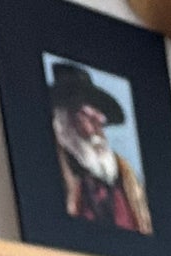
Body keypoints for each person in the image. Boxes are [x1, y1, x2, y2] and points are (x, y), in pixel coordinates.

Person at [46, 60, 151, 236]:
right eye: (87, 116)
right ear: (63, 122)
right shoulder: (55, 172)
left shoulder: (125, 177)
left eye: (100, 118)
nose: (99, 126)